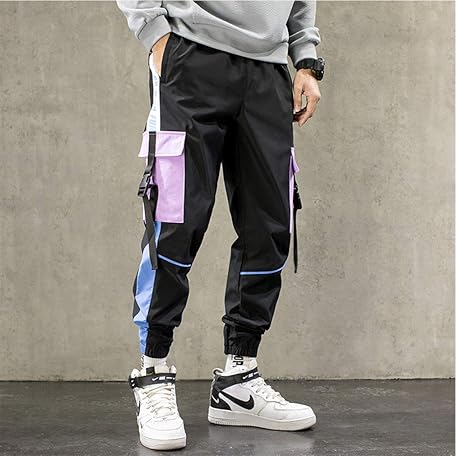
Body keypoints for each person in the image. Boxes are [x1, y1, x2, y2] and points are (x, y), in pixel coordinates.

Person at [117, 0, 324, 450]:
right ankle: (153, 373)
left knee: (269, 226)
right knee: (175, 221)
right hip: (191, 55)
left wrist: (305, 58)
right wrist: (155, 33)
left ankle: (238, 380)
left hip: (269, 70)